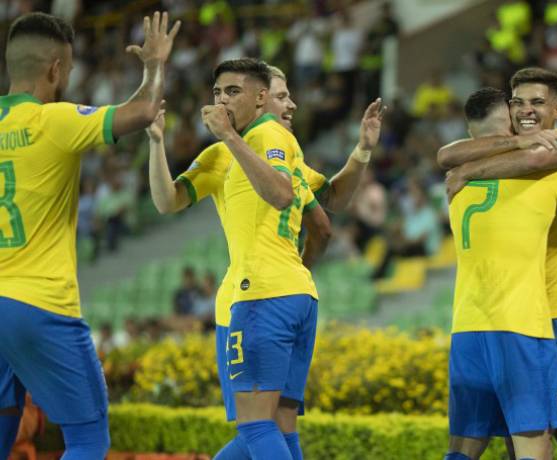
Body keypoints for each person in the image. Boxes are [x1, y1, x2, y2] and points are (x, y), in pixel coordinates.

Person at [146, 62, 383, 459]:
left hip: (256, 296)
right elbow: (167, 201)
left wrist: (227, 136)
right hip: (295, 296)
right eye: (218, 92)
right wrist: (156, 143)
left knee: (256, 427)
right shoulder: (244, 152)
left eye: (233, 92)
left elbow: (281, 194)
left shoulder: (266, 137)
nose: (222, 100)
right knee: (277, 426)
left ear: (258, 98)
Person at [0, 11, 179, 458]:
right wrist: (155, 65)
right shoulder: (53, 121)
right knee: (88, 437)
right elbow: (142, 111)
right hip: (40, 304)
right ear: (56, 69)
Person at [439, 68, 557, 460]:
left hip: (556, 305)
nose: (526, 111)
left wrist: (469, 170)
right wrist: (466, 163)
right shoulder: (513, 148)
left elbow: (536, 159)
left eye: (537, 103)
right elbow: (446, 155)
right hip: (514, 311)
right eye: (518, 103)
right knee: (517, 435)